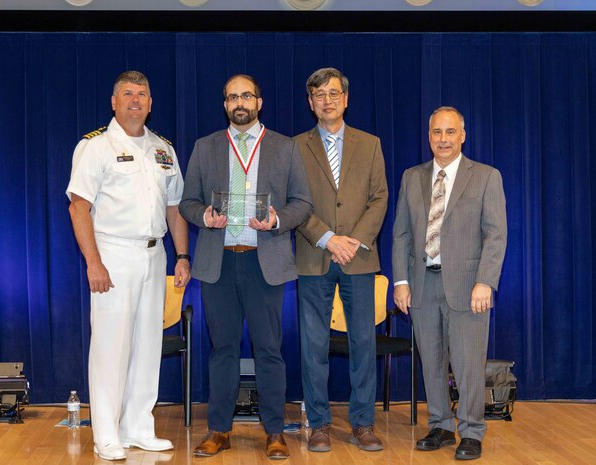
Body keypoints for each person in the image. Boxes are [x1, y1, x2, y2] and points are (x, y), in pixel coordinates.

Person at [179, 74, 312, 460]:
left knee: (269, 350)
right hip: (218, 262)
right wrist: (204, 215)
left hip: (264, 262)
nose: (240, 102)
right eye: (233, 96)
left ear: (259, 101)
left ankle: (275, 433)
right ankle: (218, 430)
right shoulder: (205, 148)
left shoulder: (285, 148)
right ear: (224, 104)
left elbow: (303, 203)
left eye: (247, 95)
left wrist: (276, 221)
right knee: (222, 350)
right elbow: (187, 201)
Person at [66, 70, 191, 461]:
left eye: (142, 94)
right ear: (114, 102)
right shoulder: (95, 147)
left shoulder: (163, 149)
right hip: (113, 253)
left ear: (151, 103)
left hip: (156, 256)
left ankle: (138, 427)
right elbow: (79, 207)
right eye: (127, 94)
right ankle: (106, 433)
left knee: (147, 345)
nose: (135, 100)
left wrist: (183, 256)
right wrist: (94, 263)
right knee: (111, 346)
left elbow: (175, 209)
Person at [392, 106, 507, 461]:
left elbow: (496, 234)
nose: (443, 139)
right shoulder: (412, 177)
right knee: (431, 361)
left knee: (469, 363)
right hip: (423, 286)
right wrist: (400, 281)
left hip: (469, 288)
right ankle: (440, 425)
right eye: (437, 133)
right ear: (429, 137)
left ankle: (471, 431)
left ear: (463, 135)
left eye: (450, 132)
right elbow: (401, 235)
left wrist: (485, 281)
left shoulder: (486, 176)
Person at [294, 67, 388, 453]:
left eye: (334, 93)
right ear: (310, 103)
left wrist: (354, 242)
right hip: (314, 256)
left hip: (359, 259)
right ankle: (318, 424)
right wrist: (329, 239)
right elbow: (294, 204)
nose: (327, 100)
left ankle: (363, 423)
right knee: (313, 346)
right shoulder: (295, 147)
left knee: (363, 343)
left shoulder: (371, 143)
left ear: (346, 99)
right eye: (319, 95)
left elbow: (380, 198)